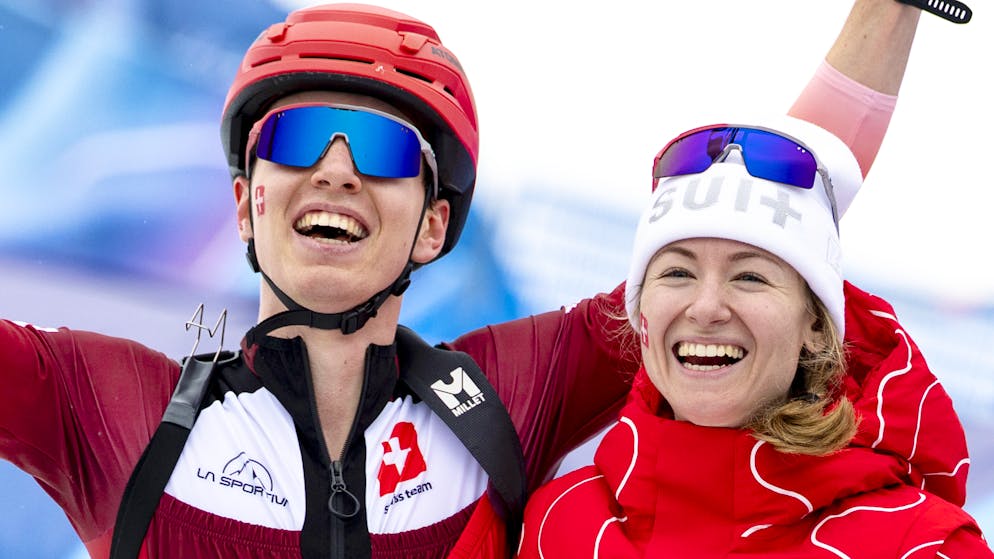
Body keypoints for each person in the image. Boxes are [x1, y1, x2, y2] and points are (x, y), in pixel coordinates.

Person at [0, 1, 948, 558]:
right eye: (294, 138)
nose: (336, 169)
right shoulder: (104, 401)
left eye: (377, 147)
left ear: (435, 224)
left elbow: (746, 224)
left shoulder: (512, 388)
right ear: (246, 203)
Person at [516, 116, 993, 557]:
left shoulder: (921, 543)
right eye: (677, 272)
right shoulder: (560, 520)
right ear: (640, 312)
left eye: (749, 278)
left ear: (814, 324)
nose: (705, 308)